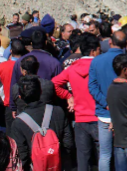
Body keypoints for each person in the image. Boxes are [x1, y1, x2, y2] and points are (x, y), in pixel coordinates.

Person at [52, 35, 101, 171]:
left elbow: (54, 83)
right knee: (103, 157)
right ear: (94, 51)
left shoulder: (72, 68)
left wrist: (68, 96)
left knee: (82, 159)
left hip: (80, 119)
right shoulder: (100, 67)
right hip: (99, 117)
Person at [11, 76, 73, 169]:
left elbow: (22, 155)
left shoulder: (18, 123)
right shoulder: (58, 111)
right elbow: (68, 143)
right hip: (58, 165)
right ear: (40, 92)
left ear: (20, 97)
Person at [88, 31, 127, 171]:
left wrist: (106, 103)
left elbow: (92, 86)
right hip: (124, 115)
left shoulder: (97, 60)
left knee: (104, 154)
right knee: (121, 152)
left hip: (104, 114)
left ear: (110, 42)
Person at [9, 30, 62, 112]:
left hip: (24, 110)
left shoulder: (20, 61)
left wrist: (13, 107)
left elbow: (13, 85)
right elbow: (61, 88)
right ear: (46, 43)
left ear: (31, 43)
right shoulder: (54, 63)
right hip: (48, 111)